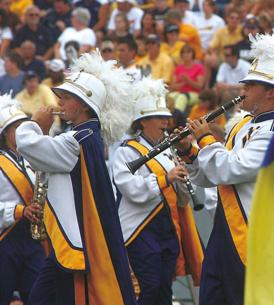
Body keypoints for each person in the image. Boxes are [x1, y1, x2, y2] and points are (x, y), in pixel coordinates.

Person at [176, 30, 274, 305]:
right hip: (224, 231)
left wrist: (204, 138)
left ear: (271, 92)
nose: (243, 89)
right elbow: (212, 175)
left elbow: (230, 170)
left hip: (251, 236)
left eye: (251, 85)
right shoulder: (241, 124)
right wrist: (189, 152)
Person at [15, 50, 137, 305]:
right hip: (70, 242)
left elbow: (26, 144)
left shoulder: (77, 140)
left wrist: (36, 124)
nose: (59, 103)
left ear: (83, 104)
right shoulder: (86, 137)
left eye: (67, 97)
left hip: (73, 242)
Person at [112, 77, 203, 305]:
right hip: (140, 229)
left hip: (167, 226)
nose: (166, 122)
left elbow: (180, 196)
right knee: (147, 288)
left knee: (164, 288)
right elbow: (132, 190)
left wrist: (182, 177)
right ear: (142, 122)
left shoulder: (168, 149)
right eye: (159, 118)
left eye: (166, 117)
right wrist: (165, 178)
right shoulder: (127, 152)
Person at [0, 94, 45, 305]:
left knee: (37, 295)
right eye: (15, 127)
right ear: (5, 133)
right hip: (5, 238)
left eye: (23, 125)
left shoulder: (32, 159)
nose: (21, 131)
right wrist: (19, 211)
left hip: (32, 236)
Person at [169, 44, 205, 112]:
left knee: (182, 97)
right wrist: (183, 83)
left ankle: (177, 116)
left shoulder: (198, 68)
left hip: (194, 94)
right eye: (183, 52)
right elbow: (173, 86)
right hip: (179, 92)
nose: (185, 54)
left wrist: (188, 80)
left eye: (188, 52)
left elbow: (200, 86)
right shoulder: (178, 68)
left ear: (193, 54)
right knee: (169, 97)